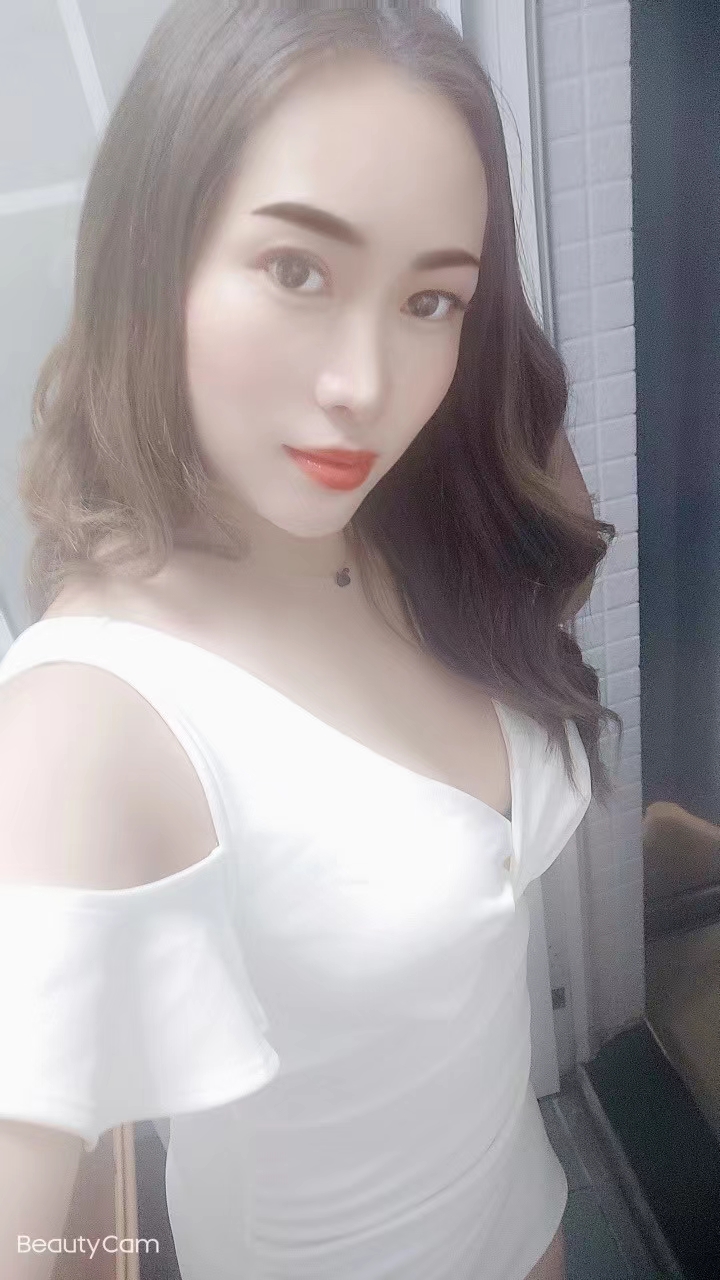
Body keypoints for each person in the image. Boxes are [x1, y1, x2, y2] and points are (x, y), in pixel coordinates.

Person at [0, 2, 621, 1278]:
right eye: (297, 270)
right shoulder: (90, 719)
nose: (365, 386)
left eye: (430, 298)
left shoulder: (418, 524)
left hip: (527, 1217)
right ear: (154, 254)